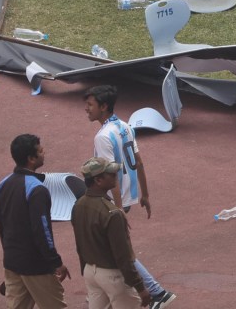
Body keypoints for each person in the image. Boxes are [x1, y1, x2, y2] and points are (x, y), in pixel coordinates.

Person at [84, 85, 174, 307]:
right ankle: (104, 294)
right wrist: (145, 195)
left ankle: (156, 292)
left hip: (115, 202)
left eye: (90, 105)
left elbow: (109, 174)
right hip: (126, 198)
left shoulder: (102, 136)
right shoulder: (125, 126)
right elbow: (139, 162)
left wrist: (115, 207)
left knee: (120, 250)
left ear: (103, 107)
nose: (86, 109)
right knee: (113, 249)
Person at [0, 134, 70, 309]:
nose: (44, 152)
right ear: (31, 159)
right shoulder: (37, 190)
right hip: (36, 266)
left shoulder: (3, 184)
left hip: (12, 262)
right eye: (40, 150)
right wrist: (56, 262)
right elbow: (42, 230)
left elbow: (1, 224)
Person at [72, 157, 151, 309]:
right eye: (111, 174)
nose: (116, 176)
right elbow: (123, 255)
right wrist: (140, 287)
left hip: (90, 272)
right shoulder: (112, 213)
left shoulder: (79, 205)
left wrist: (85, 269)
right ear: (98, 180)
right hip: (112, 275)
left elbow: (80, 244)